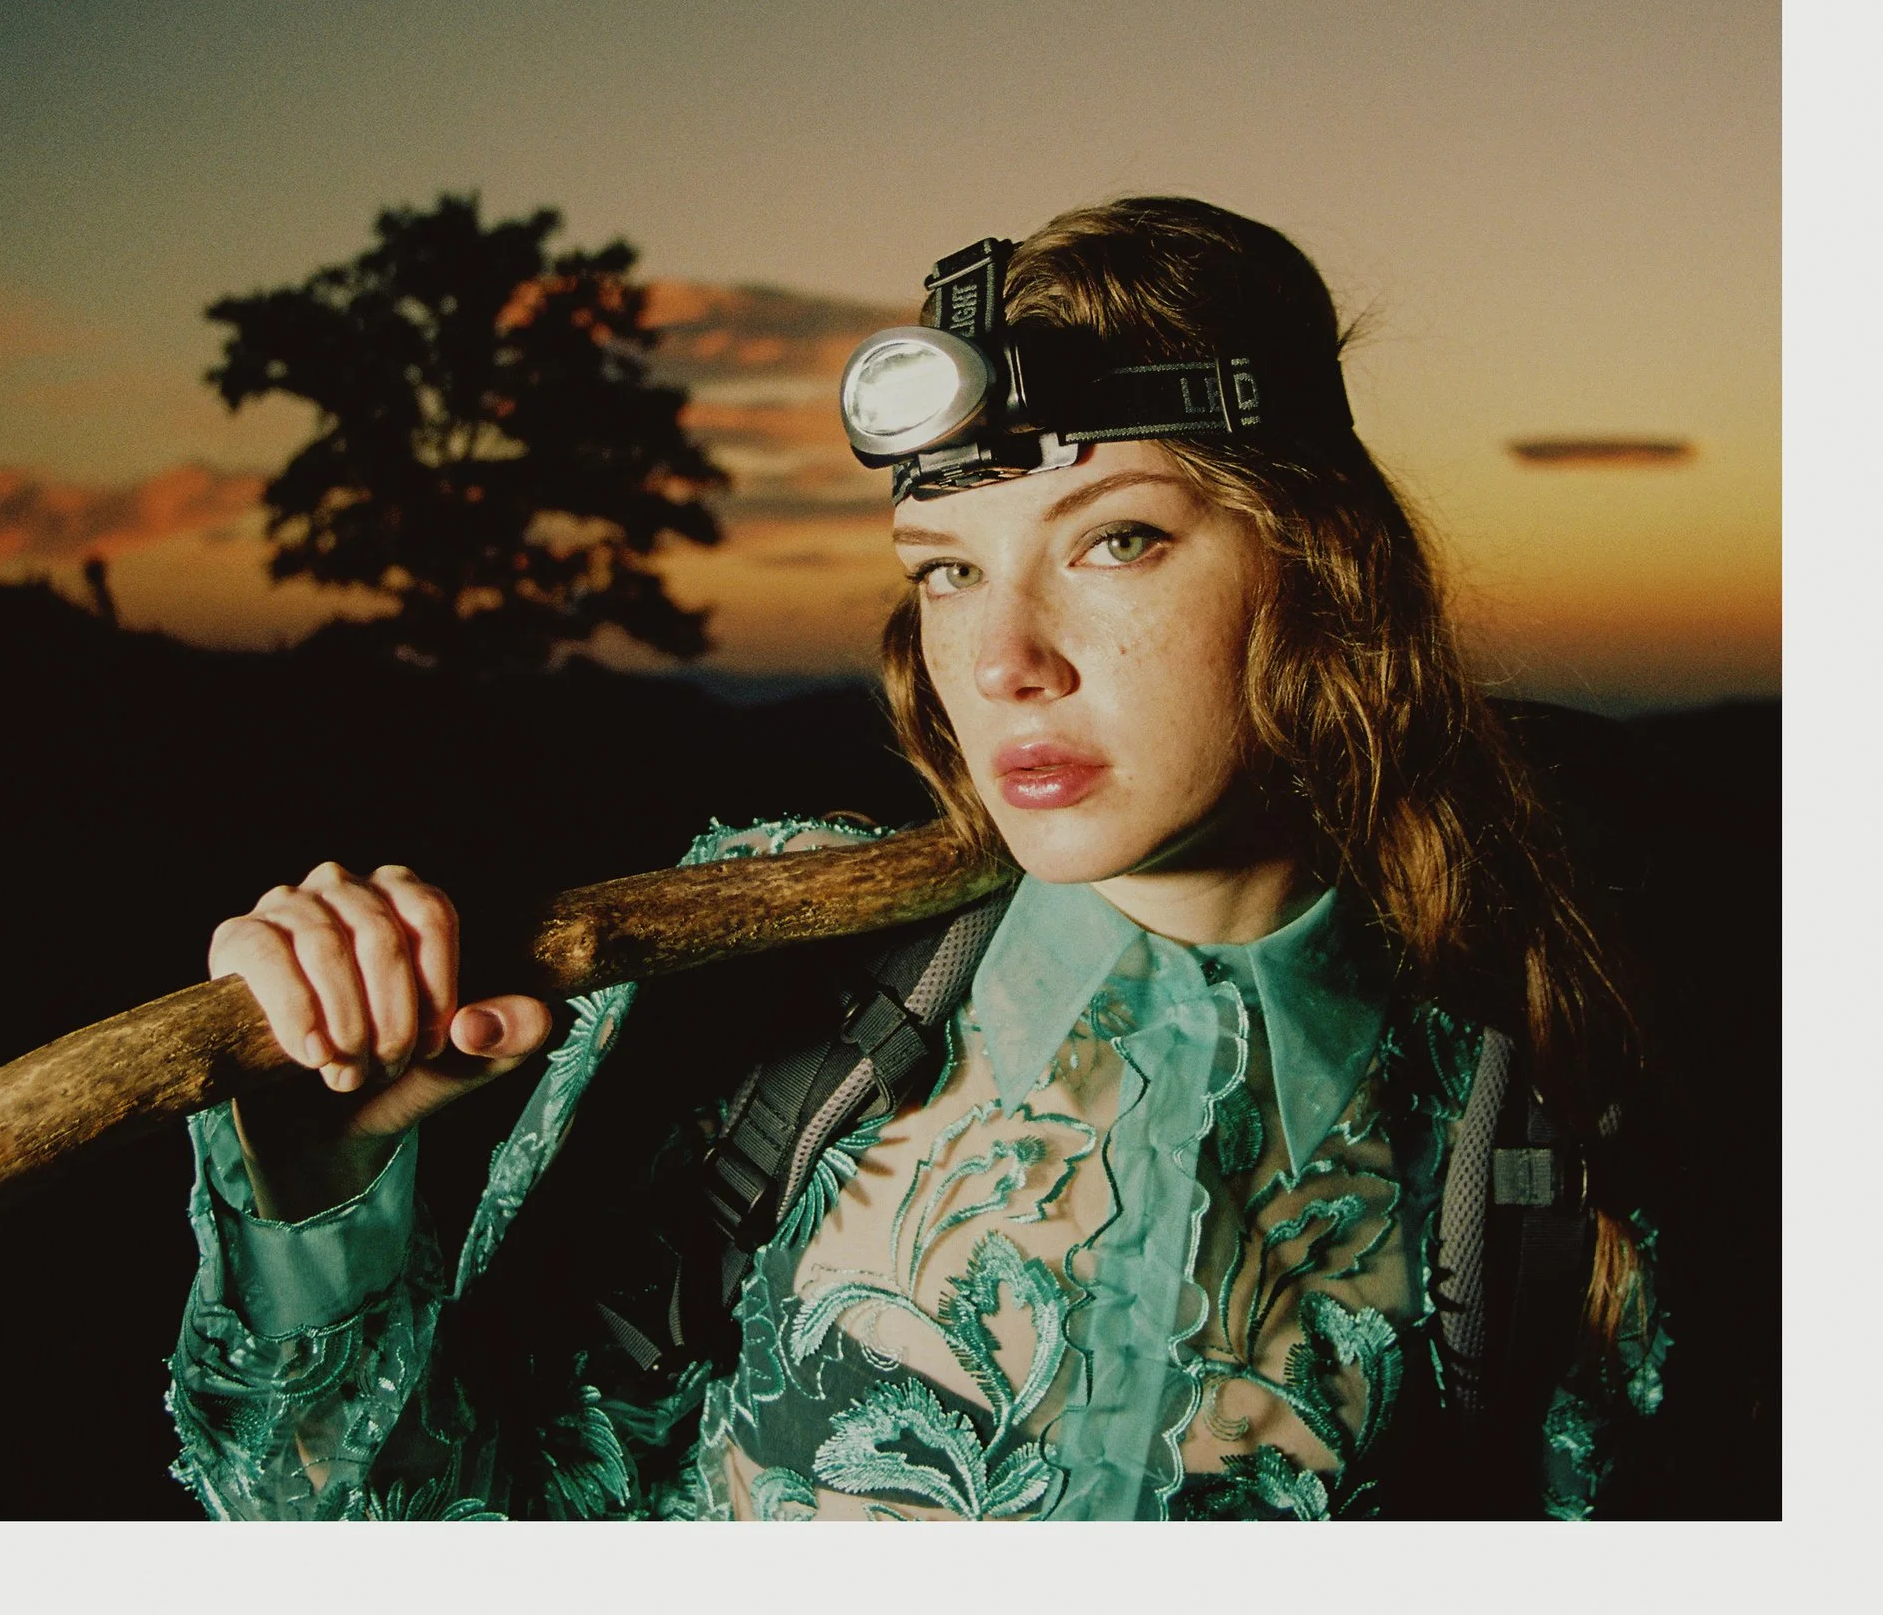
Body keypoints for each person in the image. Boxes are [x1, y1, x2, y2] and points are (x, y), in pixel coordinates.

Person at [165, 197, 1675, 1521]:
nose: (1004, 656)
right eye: (950, 571)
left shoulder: (1515, 1119)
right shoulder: (772, 993)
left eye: (1116, 541)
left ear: (1325, 569)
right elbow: (391, 1524)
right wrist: (323, 1166)